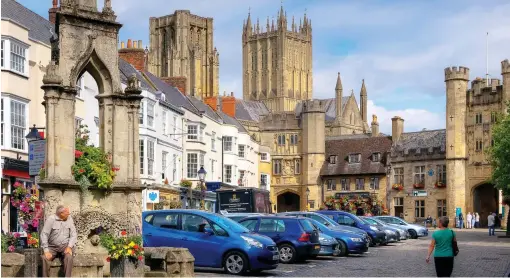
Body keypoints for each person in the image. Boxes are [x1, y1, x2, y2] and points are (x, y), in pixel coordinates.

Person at [40, 205, 77, 277]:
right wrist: (46, 250)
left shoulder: (69, 218)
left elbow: (73, 234)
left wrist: (69, 246)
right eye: (67, 213)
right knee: (44, 258)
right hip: (52, 247)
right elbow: (44, 235)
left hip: (65, 246)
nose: (69, 214)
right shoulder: (51, 219)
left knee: (69, 258)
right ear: (61, 213)